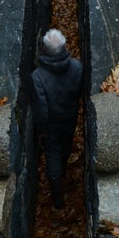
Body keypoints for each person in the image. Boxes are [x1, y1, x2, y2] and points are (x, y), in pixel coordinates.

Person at [31, 29, 83, 209]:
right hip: (70, 116)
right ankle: (63, 166)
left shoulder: (38, 77)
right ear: (64, 47)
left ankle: (57, 194)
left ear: (44, 50)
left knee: (52, 152)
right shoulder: (77, 67)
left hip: (52, 123)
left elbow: (41, 109)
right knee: (66, 143)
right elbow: (81, 92)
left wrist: (40, 130)